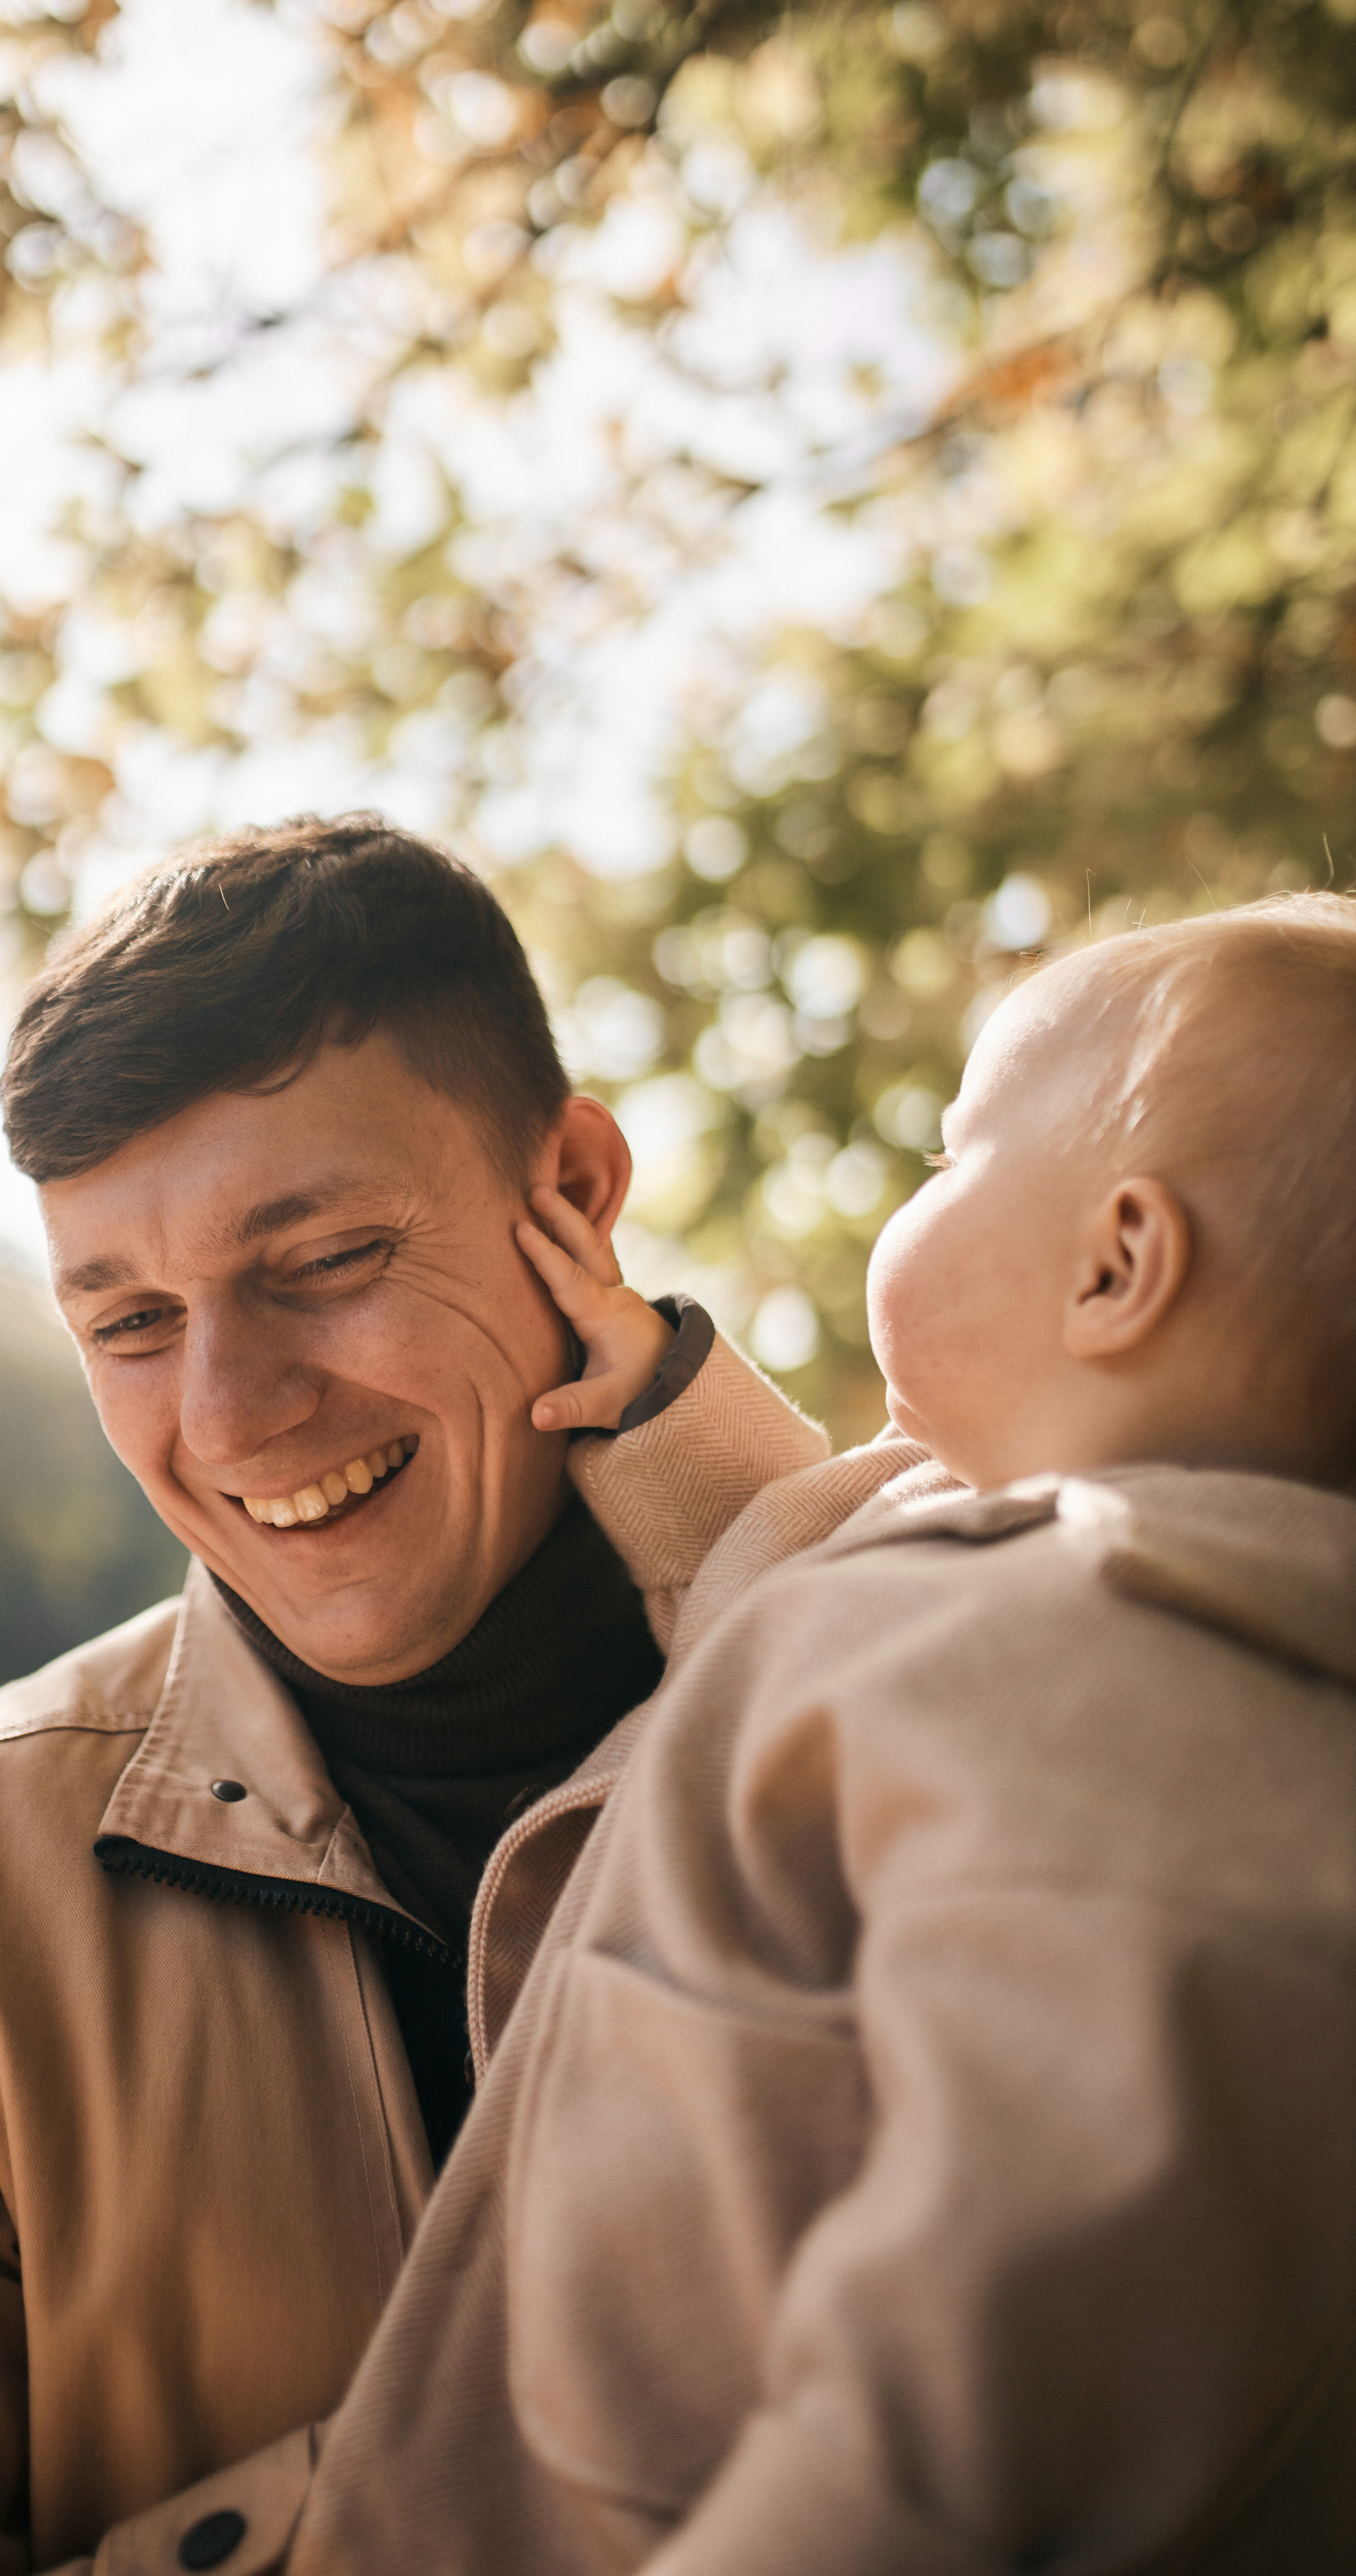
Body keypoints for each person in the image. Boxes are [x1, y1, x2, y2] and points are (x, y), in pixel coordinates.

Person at [0, 816, 887, 2572]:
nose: (227, 1420)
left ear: (578, 1195)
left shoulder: (955, 1708)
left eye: (319, 1265)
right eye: (131, 1323)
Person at [153, 889, 1356, 2576]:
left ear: (1115, 1265)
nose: (915, 1189)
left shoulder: (1133, 1676)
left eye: (954, 1159)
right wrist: (648, 1400)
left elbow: (1009, 2343)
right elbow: (790, 1566)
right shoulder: (1010, 1561)